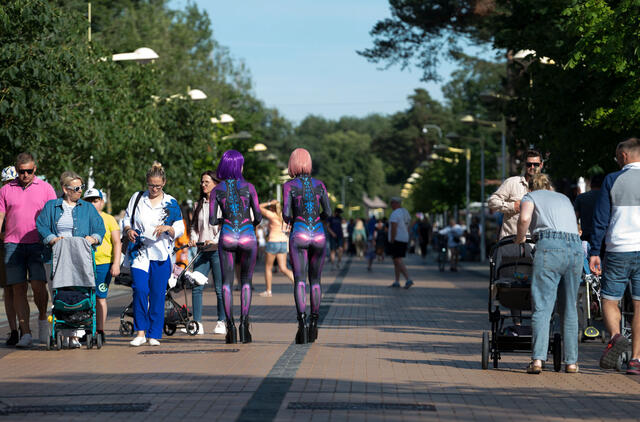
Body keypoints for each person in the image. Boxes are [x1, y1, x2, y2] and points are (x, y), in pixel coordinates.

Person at [516, 173, 582, 374]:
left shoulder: (531, 196)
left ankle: (537, 360)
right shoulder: (563, 198)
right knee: (569, 307)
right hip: (575, 248)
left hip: (550, 246)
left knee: (543, 306)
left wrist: (519, 240)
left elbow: (524, 218)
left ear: (530, 187)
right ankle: (571, 362)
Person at [36, 171, 105, 348]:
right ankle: (61, 333)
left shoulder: (87, 208)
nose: (80, 191)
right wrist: (51, 238)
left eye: (82, 187)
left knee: (80, 292)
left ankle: (75, 335)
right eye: (76, 188)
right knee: (59, 294)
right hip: (56, 257)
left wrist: (94, 238)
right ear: (65, 189)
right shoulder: (52, 206)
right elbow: (41, 225)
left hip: (80, 257)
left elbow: (99, 227)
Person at [589, 138, 640, 374]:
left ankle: (616, 337)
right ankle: (636, 360)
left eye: (617, 157)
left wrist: (594, 253)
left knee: (610, 299)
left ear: (624, 156)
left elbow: (601, 220)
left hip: (618, 248)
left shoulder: (612, 179)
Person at [0, 153, 57, 347]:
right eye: (21, 171)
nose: (25, 175)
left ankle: (42, 318)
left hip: (38, 243)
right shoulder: (6, 189)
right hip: (12, 244)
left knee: (38, 285)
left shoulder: (46, 188)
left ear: (35, 169)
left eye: (29, 171)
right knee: (18, 288)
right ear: (16, 170)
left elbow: (54, 216)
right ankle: (25, 332)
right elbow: (0, 216)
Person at [124, 162, 184, 347]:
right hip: (140, 253)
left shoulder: (171, 203)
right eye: (151, 185)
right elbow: (127, 219)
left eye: (158, 186)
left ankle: (154, 333)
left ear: (164, 183)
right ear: (146, 183)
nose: (154, 189)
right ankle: (140, 331)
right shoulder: (137, 198)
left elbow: (180, 228)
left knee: (158, 294)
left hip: (161, 254)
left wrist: (169, 228)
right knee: (140, 290)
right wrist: (128, 230)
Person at [210, 150, 262, 344]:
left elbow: (212, 220)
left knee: (226, 283)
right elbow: (258, 216)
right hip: (247, 234)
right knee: (246, 282)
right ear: (238, 165)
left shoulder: (217, 190)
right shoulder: (249, 187)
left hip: (228, 235)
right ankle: (245, 325)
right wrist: (248, 222)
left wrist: (225, 218)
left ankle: (230, 328)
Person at [282, 148, 331, 343]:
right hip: (318, 232)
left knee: (300, 281)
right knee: (316, 281)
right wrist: (318, 218)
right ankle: (314, 324)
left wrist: (293, 217)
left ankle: (301, 325)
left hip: (300, 231)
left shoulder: (289, 186)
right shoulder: (319, 184)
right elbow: (328, 210)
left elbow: (286, 214)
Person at [189, 171, 225, 336]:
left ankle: (221, 321)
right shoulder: (199, 204)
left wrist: (215, 240)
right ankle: (197, 323)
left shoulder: (222, 204)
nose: (203, 185)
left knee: (219, 288)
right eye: (202, 182)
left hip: (218, 250)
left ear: (216, 184)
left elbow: (224, 226)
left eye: (207, 182)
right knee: (197, 285)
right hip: (202, 250)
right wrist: (193, 239)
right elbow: (195, 227)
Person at [83, 188, 121, 344]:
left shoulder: (109, 219)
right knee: (84, 298)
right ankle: (85, 328)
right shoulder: (82, 218)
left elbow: (117, 242)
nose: (93, 204)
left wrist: (116, 263)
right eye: (89, 201)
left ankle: (99, 330)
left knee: (100, 297)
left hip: (103, 264)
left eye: (96, 200)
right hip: (84, 263)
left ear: (102, 202)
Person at [489, 150, 544, 239]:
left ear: (541, 165)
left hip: (535, 244)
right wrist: (512, 206)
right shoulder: (512, 183)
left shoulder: (545, 188)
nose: (532, 167)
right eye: (529, 164)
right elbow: (492, 202)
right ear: (524, 165)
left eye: (536, 164)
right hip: (511, 241)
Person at [259, 199, 294, 297]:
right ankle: (298, 284)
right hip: (283, 243)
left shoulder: (272, 215)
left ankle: (268, 291)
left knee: (268, 267)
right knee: (283, 268)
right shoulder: (285, 217)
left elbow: (259, 206)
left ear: (272, 208)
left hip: (273, 242)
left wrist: (269, 202)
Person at [0, 166, 19, 345]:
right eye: (6, 182)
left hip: (24, 246)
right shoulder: (1, 197)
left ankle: (24, 326)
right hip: (5, 248)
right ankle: (14, 329)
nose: (8, 186)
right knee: (9, 290)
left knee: (21, 288)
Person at [388, 197, 414, 289]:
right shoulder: (405, 212)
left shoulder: (395, 214)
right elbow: (408, 226)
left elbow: (394, 227)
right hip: (404, 238)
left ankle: (408, 279)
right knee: (395, 260)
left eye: (391, 203)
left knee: (398, 259)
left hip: (397, 239)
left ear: (396, 203)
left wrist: (392, 239)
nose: (391, 205)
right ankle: (397, 281)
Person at [574, 173, 604, 243]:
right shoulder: (606, 198)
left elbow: (575, 218)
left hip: (586, 236)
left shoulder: (580, 198)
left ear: (591, 184)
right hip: (603, 235)